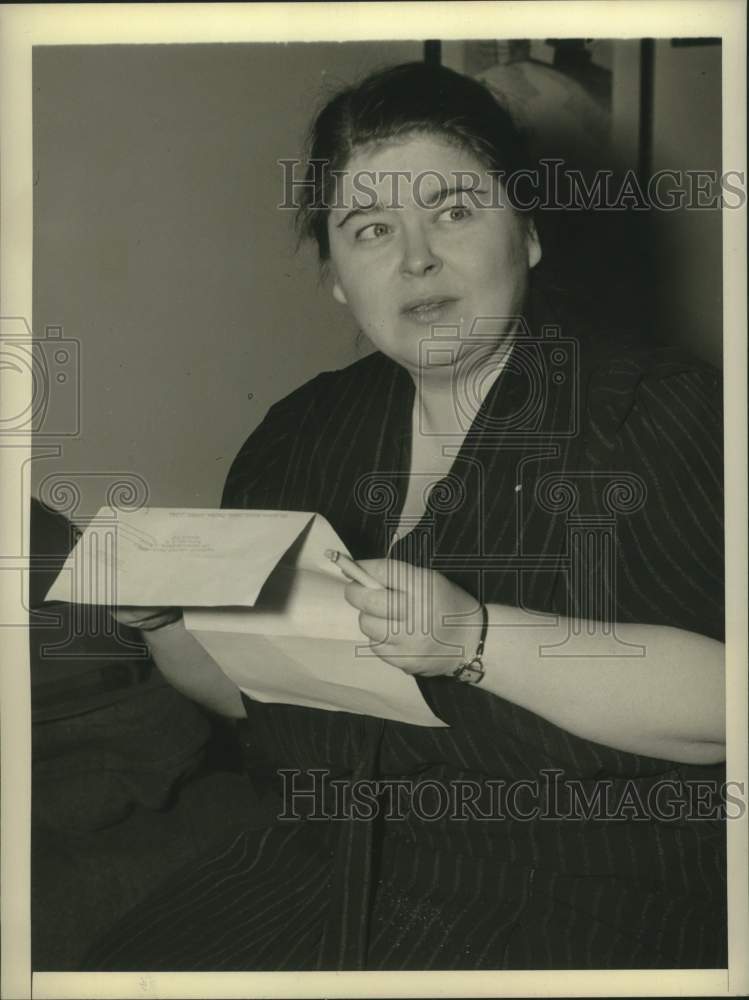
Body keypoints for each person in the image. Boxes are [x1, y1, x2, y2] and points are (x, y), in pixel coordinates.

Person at [83, 62, 726, 971]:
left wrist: (472, 636)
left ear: (529, 234)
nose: (415, 258)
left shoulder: (665, 412)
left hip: (590, 887)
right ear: (339, 280)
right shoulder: (296, 436)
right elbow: (252, 697)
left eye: (454, 211)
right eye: (371, 229)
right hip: (317, 867)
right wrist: (164, 624)